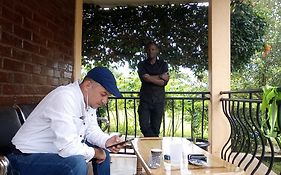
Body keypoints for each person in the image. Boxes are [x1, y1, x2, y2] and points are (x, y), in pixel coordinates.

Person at [7, 67, 124, 175]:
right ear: (88, 85)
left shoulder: (87, 102)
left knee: (103, 150)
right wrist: (95, 152)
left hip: (52, 151)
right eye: (103, 94)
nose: (105, 101)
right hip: (23, 158)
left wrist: (106, 141)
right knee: (76, 163)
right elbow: (67, 148)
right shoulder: (65, 97)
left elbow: (91, 131)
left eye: (107, 96)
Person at [137, 41, 169, 137]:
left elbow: (164, 82)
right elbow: (144, 78)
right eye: (149, 49)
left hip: (159, 101)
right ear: (146, 51)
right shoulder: (142, 64)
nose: (151, 51)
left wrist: (149, 78)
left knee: (156, 128)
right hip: (145, 100)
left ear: (157, 51)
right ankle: (153, 142)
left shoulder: (163, 64)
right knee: (144, 126)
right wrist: (160, 76)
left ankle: (152, 150)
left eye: (153, 49)